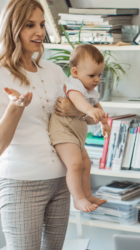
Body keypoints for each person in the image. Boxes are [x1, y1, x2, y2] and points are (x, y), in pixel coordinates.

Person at [0, 0, 95, 249]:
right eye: (30, 25)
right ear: (13, 27)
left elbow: (80, 114)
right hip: (22, 183)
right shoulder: (1, 74)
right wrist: (14, 108)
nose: (39, 32)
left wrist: (76, 109)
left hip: (61, 181)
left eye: (42, 24)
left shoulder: (53, 70)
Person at [49, 44, 109, 212]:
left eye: (99, 75)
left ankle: (88, 194)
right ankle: (78, 198)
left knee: (86, 164)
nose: (97, 79)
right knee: (75, 165)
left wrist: (104, 123)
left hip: (76, 135)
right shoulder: (74, 85)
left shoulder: (90, 88)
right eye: (92, 75)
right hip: (63, 131)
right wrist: (89, 110)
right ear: (75, 72)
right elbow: (77, 101)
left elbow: (97, 104)